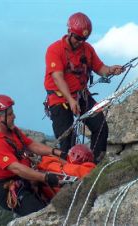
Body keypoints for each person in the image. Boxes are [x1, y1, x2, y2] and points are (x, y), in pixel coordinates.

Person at [44, 12, 125, 163]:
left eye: (84, 39)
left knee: (100, 127)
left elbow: (99, 67)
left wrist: (111, 70)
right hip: (59, 98)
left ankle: (93, 165)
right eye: (77, 38)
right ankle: (69, 172)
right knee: (67, 139)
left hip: (81, 96)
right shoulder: (55, 50)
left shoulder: (87, 49)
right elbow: (57, 77)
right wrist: (70, 99)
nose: (80, 42)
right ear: (69, 32)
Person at [0, 94, 66, 216]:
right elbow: (17, 168)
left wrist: (58, 153)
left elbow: (32, 145)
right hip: (10, 187)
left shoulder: (12, 131)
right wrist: (45, 177)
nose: (14, 116)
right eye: (10, 114)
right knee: (41, 214)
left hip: (25, 177)